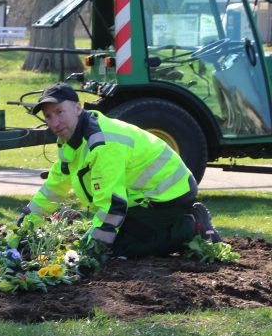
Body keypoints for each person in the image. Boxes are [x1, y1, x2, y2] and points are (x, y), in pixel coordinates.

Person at [18, 82, 221, 257]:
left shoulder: (102, 144)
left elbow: (113, 206)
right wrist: (25, 226)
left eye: (59, 112)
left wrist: (91, 250)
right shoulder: (72, 141)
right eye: (49, 116)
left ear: (78, 108)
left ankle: (191, 227)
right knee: (108, 236)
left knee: (118, 246)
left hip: (169, 197)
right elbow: (54, 187)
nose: (54, 122)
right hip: (147, 198)